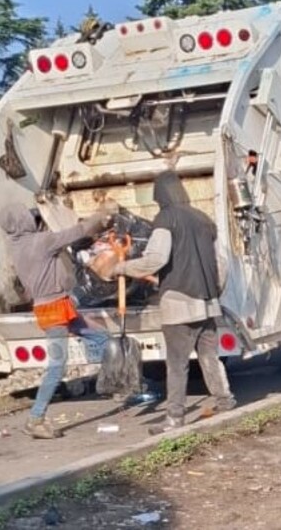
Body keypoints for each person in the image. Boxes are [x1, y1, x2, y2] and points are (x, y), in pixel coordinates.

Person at [112, 171, 235, 435]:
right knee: (209, 357)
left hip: (178, 304)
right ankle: (225, 401)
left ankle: (174, 418)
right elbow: (221, 264)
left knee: (177, 364)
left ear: (160, 196)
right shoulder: (204, 220)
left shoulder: (166, 219)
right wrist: (213, 292)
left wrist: (121, 267)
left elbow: (155, 259)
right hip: (208, 303)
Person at [0, 202, 112, 439]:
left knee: (102, 337)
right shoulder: (41, 242)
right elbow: (77, 233)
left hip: (56, 305)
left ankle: (116, 379)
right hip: (53, 310)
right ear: (21, 222)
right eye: (28, 217)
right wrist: (101, 215)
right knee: (57, 366)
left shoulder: (16, 245)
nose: (33, 219)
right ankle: (36, 418)